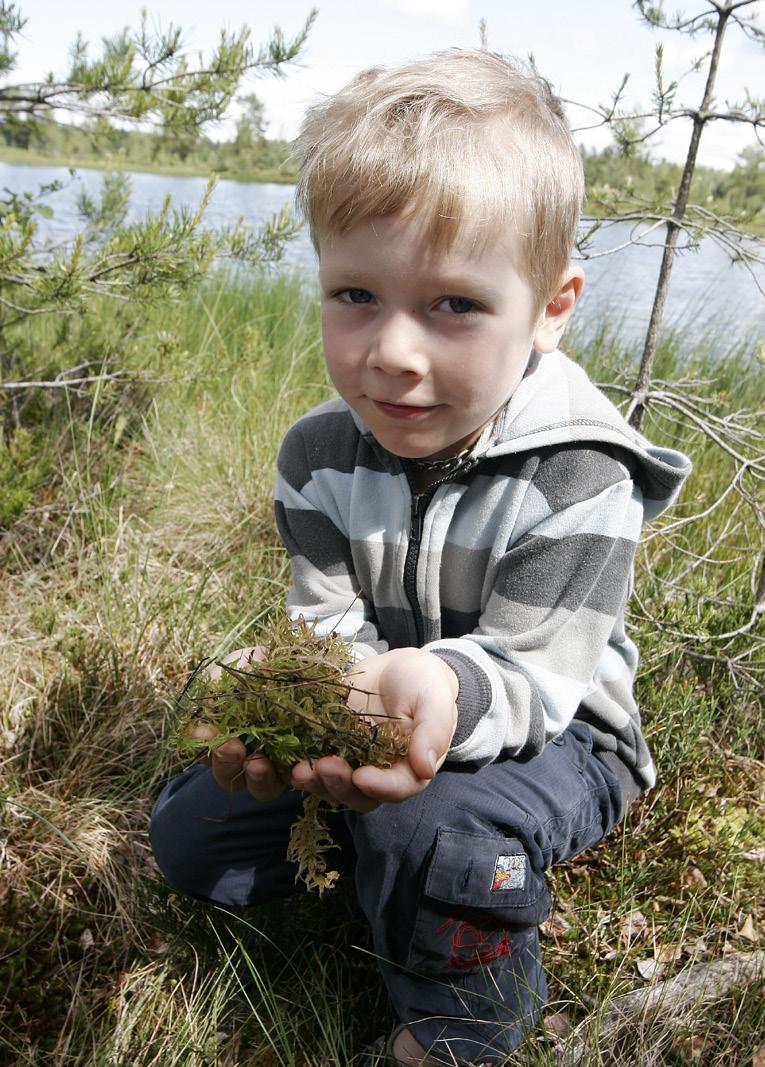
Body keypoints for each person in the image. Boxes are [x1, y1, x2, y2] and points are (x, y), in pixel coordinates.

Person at [150, 50, 691, 1066]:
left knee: (433, 826)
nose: (392, 350)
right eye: (354, 292)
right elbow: (322, 613)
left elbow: (533, 676)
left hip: (562, 738)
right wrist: (324, 691)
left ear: (549, 305)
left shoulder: (581, 472)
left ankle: (465, 1020)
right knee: (193, 828)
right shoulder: (317, 453)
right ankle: (383, 878)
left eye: (452, 305)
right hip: (387, 710)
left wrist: (429, 685)